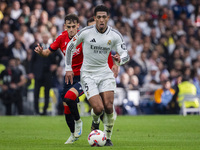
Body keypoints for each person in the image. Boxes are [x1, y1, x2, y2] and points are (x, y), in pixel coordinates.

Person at [34, 13, 116, 144]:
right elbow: (47, 52)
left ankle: (87, 126)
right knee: (67, 107)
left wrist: (111, 65)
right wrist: (41, 52)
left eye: (73, 26)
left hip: (85, 76)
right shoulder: (61, 38)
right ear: (65, 26)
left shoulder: (84, 37)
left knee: (71, 98)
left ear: (78, 26)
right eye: (68, 27)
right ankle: (73, 134)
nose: (71, 29)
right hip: (69, 77)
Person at [64, 5, 129, 146]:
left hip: (105, 73)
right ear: (95, 18)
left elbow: (125, 55)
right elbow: (70, 47)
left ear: (108, 18)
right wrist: (68, 68)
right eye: (98, 17)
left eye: (103, 17)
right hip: (88, 75)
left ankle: (108, 137)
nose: (101, 19)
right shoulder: (86, 32)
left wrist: (120, 60)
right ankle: (95, 123)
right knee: (98, 108)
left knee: (108, 106)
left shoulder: (115, 35)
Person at [31, 32, 57, 116]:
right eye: (44, 37)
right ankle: (36, 111)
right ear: (42, 38)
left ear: (48, 38)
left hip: (47, 73)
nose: (45, 39)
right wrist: (31, 72)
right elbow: (32, 60)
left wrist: (55, 65)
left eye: (47, 37)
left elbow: (59, 57)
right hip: (38, 73)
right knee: (36, 93)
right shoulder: (36, 47)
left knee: (47, 93)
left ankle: (44, 111)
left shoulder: (51, 48)